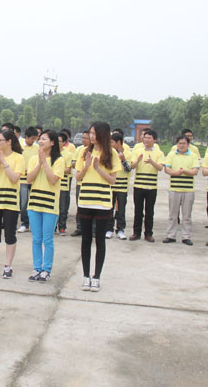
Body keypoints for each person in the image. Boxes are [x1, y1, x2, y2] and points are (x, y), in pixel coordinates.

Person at [75, 122, 121, 292]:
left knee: (100, 240)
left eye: (94, 133)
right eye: (90, 133)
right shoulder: (84, 152)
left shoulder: (111, 154)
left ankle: (96, 277)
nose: (91, 136)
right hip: (85, 200)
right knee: (86, 239)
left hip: (102, 202)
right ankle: (86, 276)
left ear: (103, 134)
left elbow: (112, 180)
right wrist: (87, 167)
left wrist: (98, 169)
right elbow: (78, 178)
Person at [26, 130, 65, 282]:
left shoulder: (59, 160)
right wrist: (39, 162)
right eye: (40, 139)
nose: (40, 141)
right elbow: (29, 179)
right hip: (34, 204)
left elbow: (53, 179)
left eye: (44, 139)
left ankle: (46, 270)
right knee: (36, 238)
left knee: (47, 239)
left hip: (50, 205)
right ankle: (37, 268)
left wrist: (44, 163)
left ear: (52, 142)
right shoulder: (33, 159)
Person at [0, 129, 25, 279]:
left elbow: (14, 178)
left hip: (10, 201)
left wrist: (4, 162)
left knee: (10, 234)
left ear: (9, 142)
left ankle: (8, 265)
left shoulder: (18, 158)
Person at [162, 135, 200, 245]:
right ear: (176, 144)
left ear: (188, 144)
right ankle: (171, 236)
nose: (181, 145)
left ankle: (186, 237)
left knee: (187, 215)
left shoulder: (193, 155)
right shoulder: (171, 154)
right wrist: (176, 173)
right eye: (179, 143)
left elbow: (195, 171)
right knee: (172, 215)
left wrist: (185, 172)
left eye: (184, 143)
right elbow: (167, 169)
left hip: (188, 190)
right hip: (174, 189)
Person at [129, 129, 164, 242]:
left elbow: (160, 168)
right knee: (138, 211)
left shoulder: (159, 153)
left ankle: (148, 234)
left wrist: (151, 162)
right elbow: (132, 166)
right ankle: (136, 233)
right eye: (145, 137)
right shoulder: (137, 151)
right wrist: (138, 161)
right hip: (138, 186)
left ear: (154, 140)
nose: (147, 140)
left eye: (149, 138)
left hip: (151, 187)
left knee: (149, 212)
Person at [107, 132, 131, 240]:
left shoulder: (128, 153)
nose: (110, 144)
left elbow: (128, 169)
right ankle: (109, 229)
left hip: (122, 186)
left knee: (121, 209)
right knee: (109, 208)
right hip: (111, 186)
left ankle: (120, 229)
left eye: (112, 142)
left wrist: (123, 160)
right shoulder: (109, 153)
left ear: (118, 142)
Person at [18, 126, 39, 233]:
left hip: (34, 179)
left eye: (35, 139)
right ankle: (24, 223)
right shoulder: (19, 147)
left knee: (34, 202)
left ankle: (33, 223)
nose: (33, 141)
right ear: (26, 137)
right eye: (32, 139)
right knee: (23, 203)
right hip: (23, 180)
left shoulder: (37, 148)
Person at [71, 130, 91, 237]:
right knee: (80, 207)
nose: (83, 140)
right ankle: (79, 228)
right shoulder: (79, 150)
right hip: (80, 183)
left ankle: (92, 229)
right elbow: (73, 163)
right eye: (83, 138)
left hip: (91, 184)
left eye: (86, 138)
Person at [56, 131, 73, 235]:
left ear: (64, 143)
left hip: (64, 184)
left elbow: (68, 170)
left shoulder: (68, 154)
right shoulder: (51, 153)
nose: (57, 143)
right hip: (53, 184)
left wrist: (56, 170)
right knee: (54, 206)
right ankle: (53, 227)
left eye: (60, 141)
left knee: (63, 207)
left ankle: (62, 227)